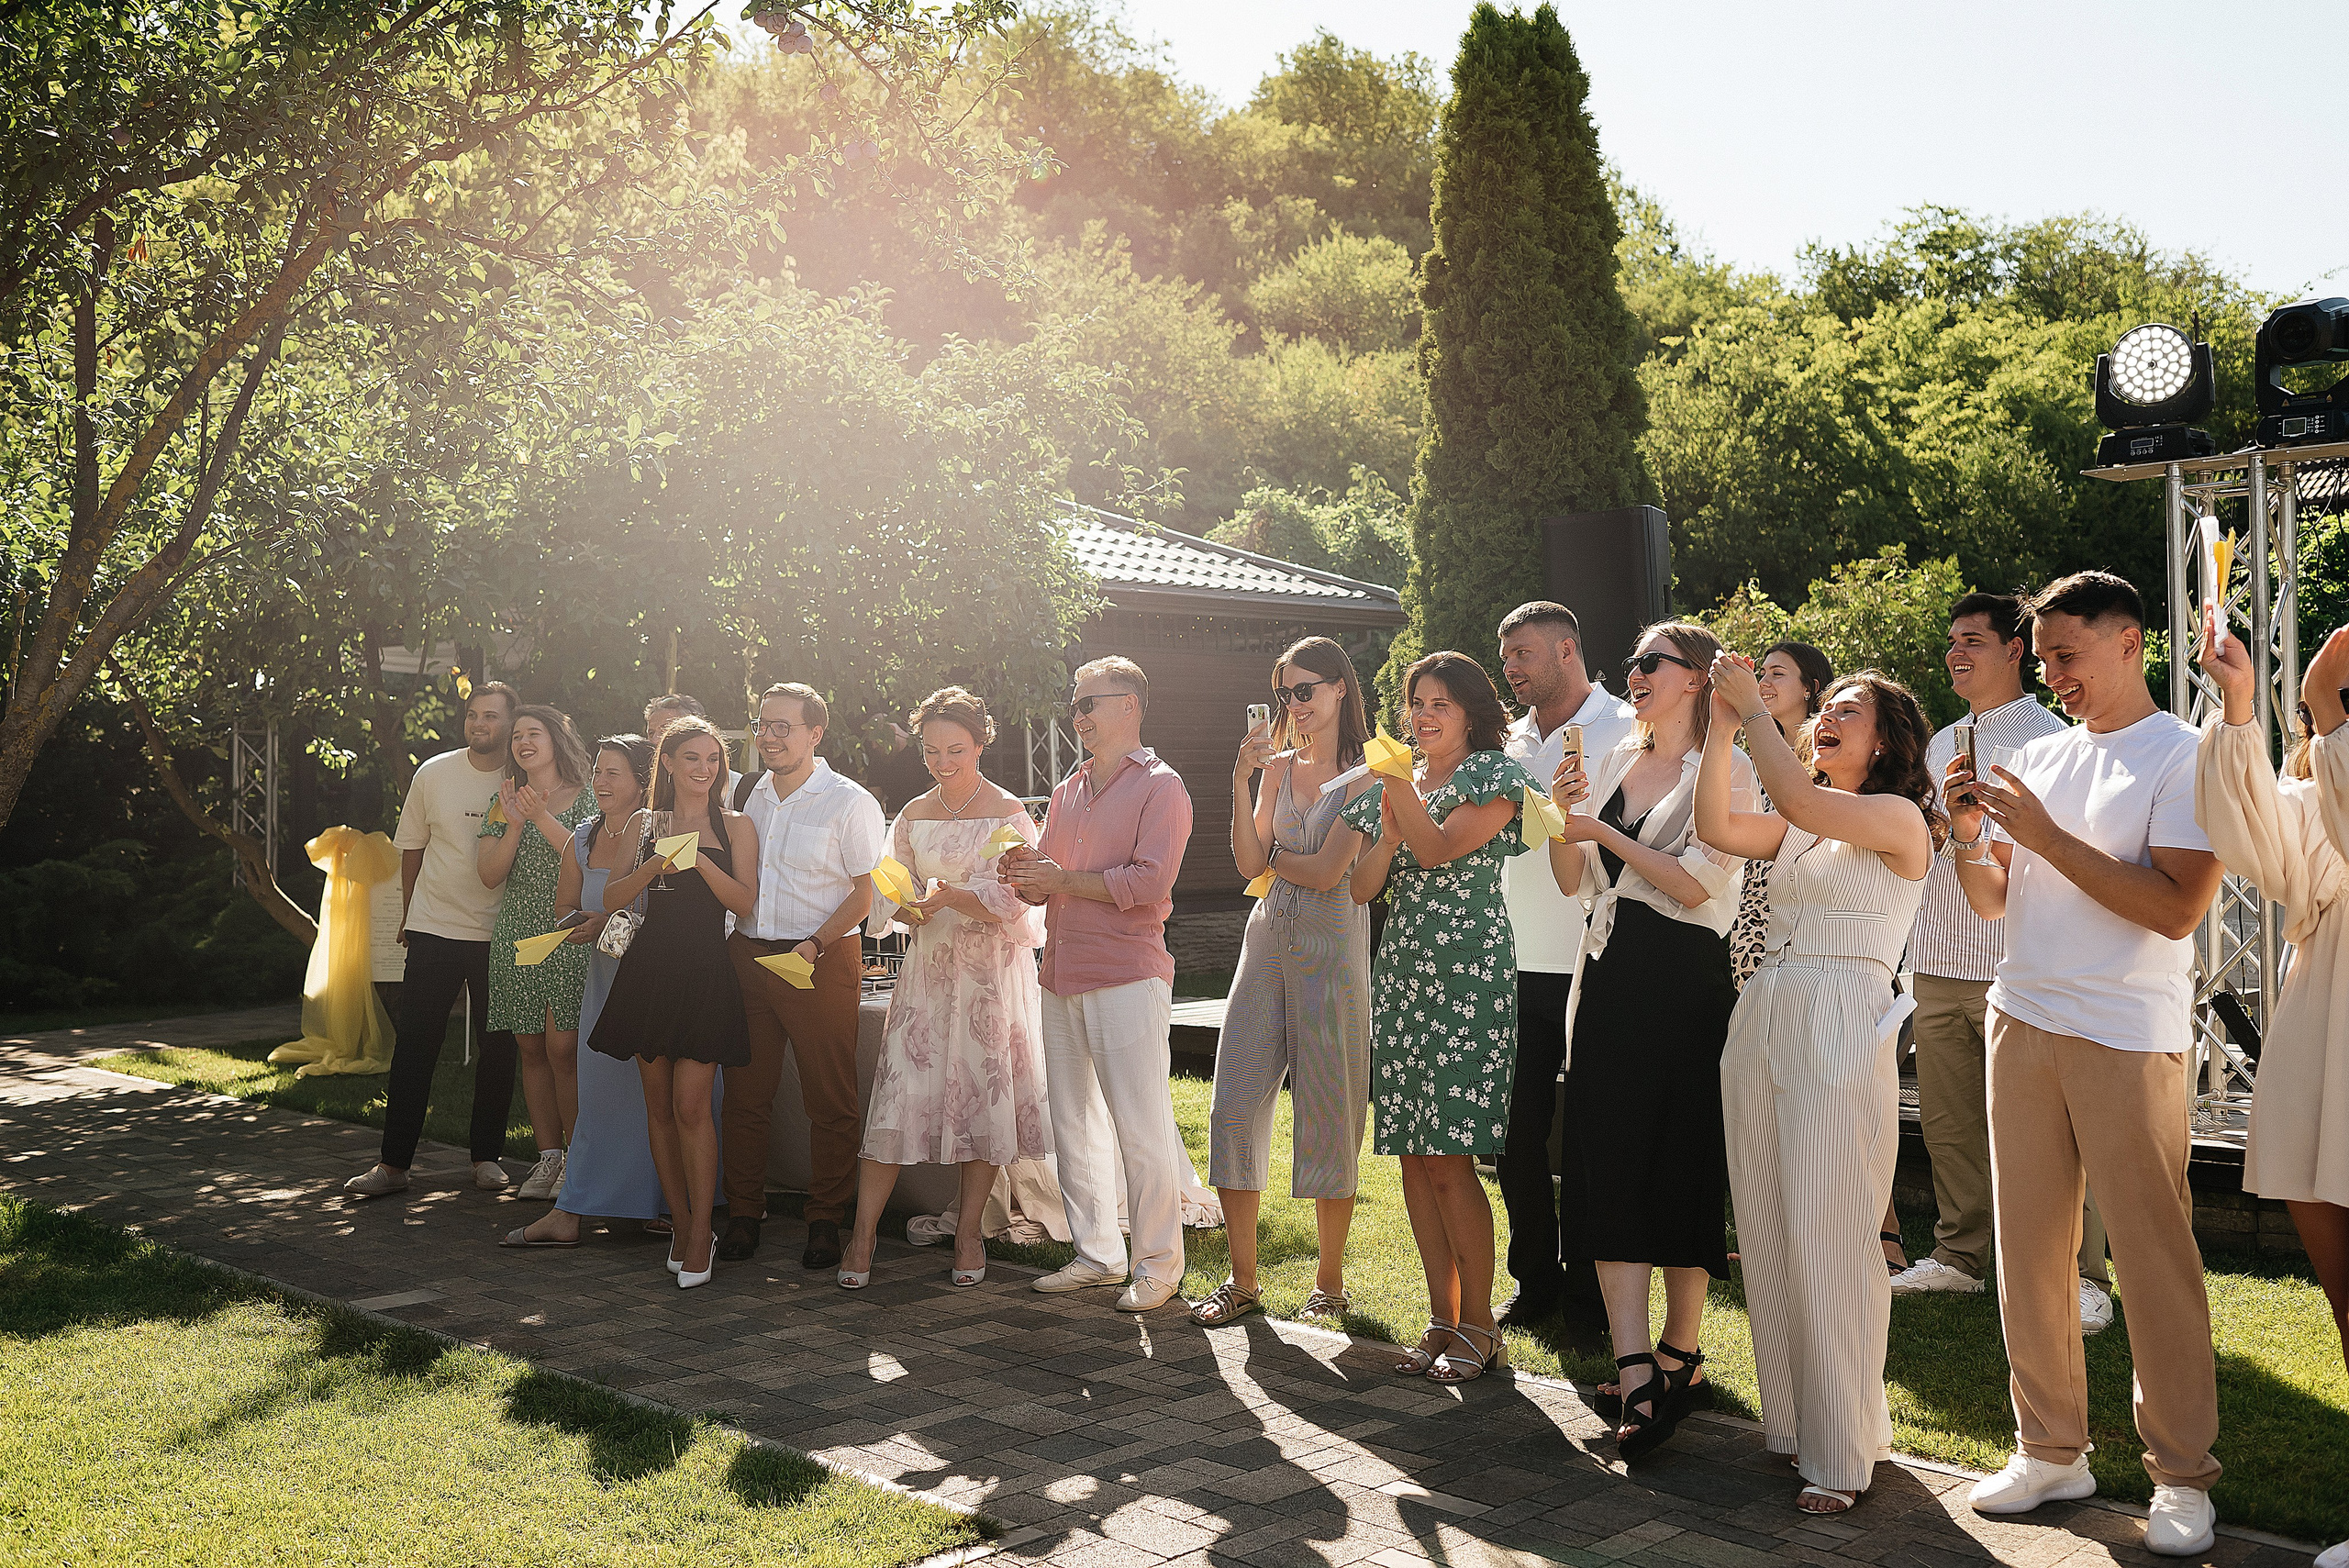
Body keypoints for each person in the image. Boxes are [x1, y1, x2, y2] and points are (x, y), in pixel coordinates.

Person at [1949, 572, 2223, 1553]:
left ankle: (2183, 1475)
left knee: (2152, 1260)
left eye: (2068, 654)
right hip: (2019, 1015)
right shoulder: (2043, 755)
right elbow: (1993, 902)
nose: (2053, 673)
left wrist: (2044, 837)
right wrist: (1971, 835)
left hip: (2124, 1030)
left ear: (2128, 642)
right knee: (2027, 1256)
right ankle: (2051, 1449)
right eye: (2047, 655)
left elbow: (2175, 907)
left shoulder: (2185, 753)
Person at [1698, 659, 1939, 1514]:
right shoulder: (1801, 822)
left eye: (1848, 710)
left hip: (1843, 1010)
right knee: (1767, 1224)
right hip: (1763, 1009)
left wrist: (1754, 712)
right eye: (1824, 710)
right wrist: (1724, 731)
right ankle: (1801, 1425)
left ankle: (1843, 1455)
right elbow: (1718, 825)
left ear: (1887, 740)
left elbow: (1797, 799)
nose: (1827, 718)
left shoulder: (1898, 815)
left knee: (1834, 1231)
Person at [1544, 623, 1751, 1459]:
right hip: (1608, 974)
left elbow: (1703, 880)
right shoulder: (1616, 763)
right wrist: (1568, 820)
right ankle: (1634, 1365)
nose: (1633, 675)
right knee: (1608, 1158)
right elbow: (1571, 882)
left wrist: (1605, 835)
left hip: (1686, 982)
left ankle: (1682, 1352)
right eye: (1630, 664)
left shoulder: (1728, 770)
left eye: (1650, 664)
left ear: (1697, 679)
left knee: (1681, 1156)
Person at [1891, 594, 2114, 1329]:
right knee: (1950, 1122)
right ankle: (1958, 1256)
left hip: (2018, 959)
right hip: (1937, 954)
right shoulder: (1940, 738)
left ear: (2017, 650)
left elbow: (2053, 852)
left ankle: (2082, 1276)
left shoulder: (2051, 736)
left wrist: (1974, 834)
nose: (1956, 652)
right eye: (1951, 640)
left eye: (1974, 641)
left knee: (2051, 1127)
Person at [2196, 612, 2349, 1568]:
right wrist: (2241, 702)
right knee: (2343, 1300)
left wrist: (2321, 697)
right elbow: (2249, 826)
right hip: (2323, 1020)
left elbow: (2333, 667)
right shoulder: (2316, 787)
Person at [1340, 651, 1535, 1382]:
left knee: (1452, 1160)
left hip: (1467, 979)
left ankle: (1480, 1327)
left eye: (1440, 703)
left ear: (1471, 713)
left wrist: (1400, 802)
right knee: (1415, 1162)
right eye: (1417, 702)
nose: (1423, 715)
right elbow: (1361, 889)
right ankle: (1440, 1319)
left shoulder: (1496, 775)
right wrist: (1387, 829)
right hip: (1404, 978)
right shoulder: (1398, 786)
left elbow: (1444, 846)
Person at [999, 656, 1194, 1312]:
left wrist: (1058, 881)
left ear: (1130, 706)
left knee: (1140, 1127)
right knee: (1072, 1122)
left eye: (1090, 703)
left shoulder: (1162, 787)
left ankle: (1160, 1265)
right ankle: (1097, 1255)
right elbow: (1049, 877)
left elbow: (1149, 884)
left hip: (1126, 974)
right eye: (1075, 705)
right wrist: (1023, 872)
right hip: (1061, 970)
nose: (1078, 715)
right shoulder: (1068, 788)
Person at [838, 687, 1050, 1290]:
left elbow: (1021, 899)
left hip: (988, 978)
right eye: (932, 751)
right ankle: (861, 1236)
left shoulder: (1008, 812)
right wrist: (904, 909)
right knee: (895, 1099)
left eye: (955, 749)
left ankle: (968, 1233)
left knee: (982, 1100)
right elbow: (887, 888)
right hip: (928, 974)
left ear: (980, 743)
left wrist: (958, 896)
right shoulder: (911, 814)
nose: (942, 762)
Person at [1195, 637, 1375, 1329]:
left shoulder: (1368, 773)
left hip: (1332, 947)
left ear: (1338, 689)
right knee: (1234, 1103)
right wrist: (1242, 783)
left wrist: (1275, 859)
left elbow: (1332, 872)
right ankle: (1244, 1281)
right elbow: (1248, 858)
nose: (1293, 705)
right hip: (1266, 943)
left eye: (1305, 690)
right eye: (1284, 693)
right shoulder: (1274, 769)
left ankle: (1329, 1282)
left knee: (1331, 1109)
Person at [1493, 602, 1638, 1340]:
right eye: (1506, 655)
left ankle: (1588, 1295)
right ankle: (1533, 1282)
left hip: (1591, 958)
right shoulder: (1506, 740)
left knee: (1587, 1136)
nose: (1511, 667)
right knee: (1516, 1136)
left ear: (1568, 649)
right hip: (1513, 961)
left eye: (1522, 653)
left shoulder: (1626, 727)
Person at [586, 717, 759, 1288]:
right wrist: (655, 863)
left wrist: (699, 861)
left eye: (713, 759)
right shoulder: (643, 822)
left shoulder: (737, 827)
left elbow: (746, 903)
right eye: (693, 759)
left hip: (706, 973)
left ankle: (697, 1231)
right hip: (648, 975)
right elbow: (611, 898)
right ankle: (687, 1228)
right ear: (669, 764)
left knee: (691, 1105)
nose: (705, 769)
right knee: (656, 1106)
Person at [723, 683, 886, 1268]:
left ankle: (825, 1220)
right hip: (747, 955)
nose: (768, 735)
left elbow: (867, 892)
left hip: (820, 958)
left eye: (783, 726)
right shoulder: (748, 795)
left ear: (816, 734)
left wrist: (814, 946)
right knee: (745, 1094)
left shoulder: (849, 801)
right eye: (763, 724)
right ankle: (743, 1215)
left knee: (829, 1096)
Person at [505, 735, 686, 1247]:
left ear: (641, 783)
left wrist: (607, 920)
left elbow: (673, 909)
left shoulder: (659, 833)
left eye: (614, 773)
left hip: (654, 984)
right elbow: (564, 902)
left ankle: (654, 1207)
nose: (601, 783)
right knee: (600, 1096)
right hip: (602, 982)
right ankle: (578, 1208)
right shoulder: (581, 836)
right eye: (598, 772)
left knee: (655, 1100)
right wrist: (575, 924)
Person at [346, 683, 524, 1197]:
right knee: (416, 1046)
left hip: (500, 934)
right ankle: (393, 1165)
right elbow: (412, 850)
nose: (478, 724)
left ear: (511, 723)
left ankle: (486, 1158)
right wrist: (407, 915)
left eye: (490, 716)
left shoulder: (526, 780)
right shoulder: (434, 772)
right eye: (472, 715)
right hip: (434, 927)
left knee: (498, 1049)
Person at [476, 704, 596, 1202]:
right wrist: (517, 821)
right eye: (518, 735)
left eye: (534, 733)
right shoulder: (501, 800)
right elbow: (488, 874)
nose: (524, 742)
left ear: (557, 739)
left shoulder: (592, 797)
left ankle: (579, 1158)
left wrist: (540, 814)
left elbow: (586, 861)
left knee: (563, 1048)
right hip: (517, 932)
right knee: (529, 1047)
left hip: (567, 930)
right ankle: (548, 1160)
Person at [1727, 640, 1831, 990]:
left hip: (1807, 920)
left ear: (1809, 688)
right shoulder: (1749, 756)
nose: (1763, 683)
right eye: (1761, 674)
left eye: (1778, 674)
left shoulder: (1829, 760)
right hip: (1750, 915)